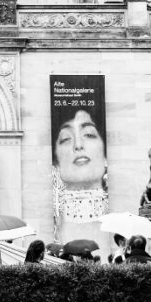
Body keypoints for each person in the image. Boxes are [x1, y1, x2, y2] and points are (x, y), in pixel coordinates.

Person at [52, 108, 108, 252]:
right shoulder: (57, 227)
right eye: (65, 138)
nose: (78, 145)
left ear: (105, 155)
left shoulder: (117, 223)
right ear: (56, 162)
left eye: (89, 134)